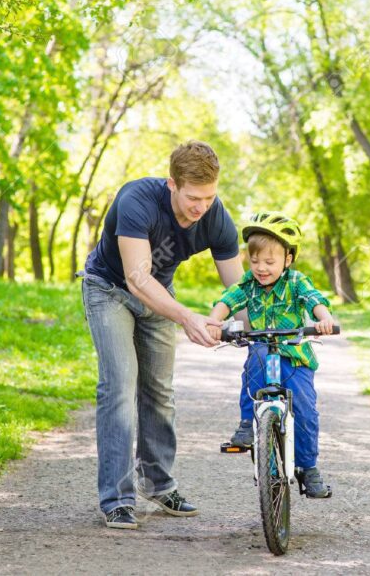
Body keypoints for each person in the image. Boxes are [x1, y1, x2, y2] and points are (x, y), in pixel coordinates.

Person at [81, 140, 245, 529]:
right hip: (109, 290)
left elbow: (239, 290)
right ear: (172, 184)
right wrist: (188, 318)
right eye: (193, 197)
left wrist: (256, 326)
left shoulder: (216, 217)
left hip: (158, 298)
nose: (200, 207)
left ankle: (158, 484)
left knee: (159, 391)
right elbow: (137, 279)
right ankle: (117, 500)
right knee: (120, 386)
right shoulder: (137, 199)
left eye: (208, 197)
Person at [207, 211, 336, 498]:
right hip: (263, 348)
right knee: (255, 360)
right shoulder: (249, 285)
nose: (261, 268)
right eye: (254, 261)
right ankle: (246, 425)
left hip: (295, 357)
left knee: (304, 409)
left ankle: (308, 468)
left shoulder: (296, 281)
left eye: (269, 261)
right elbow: (227, 300)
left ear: (287, 260)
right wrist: (215, 322)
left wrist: (323, 319)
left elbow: (315, 300)